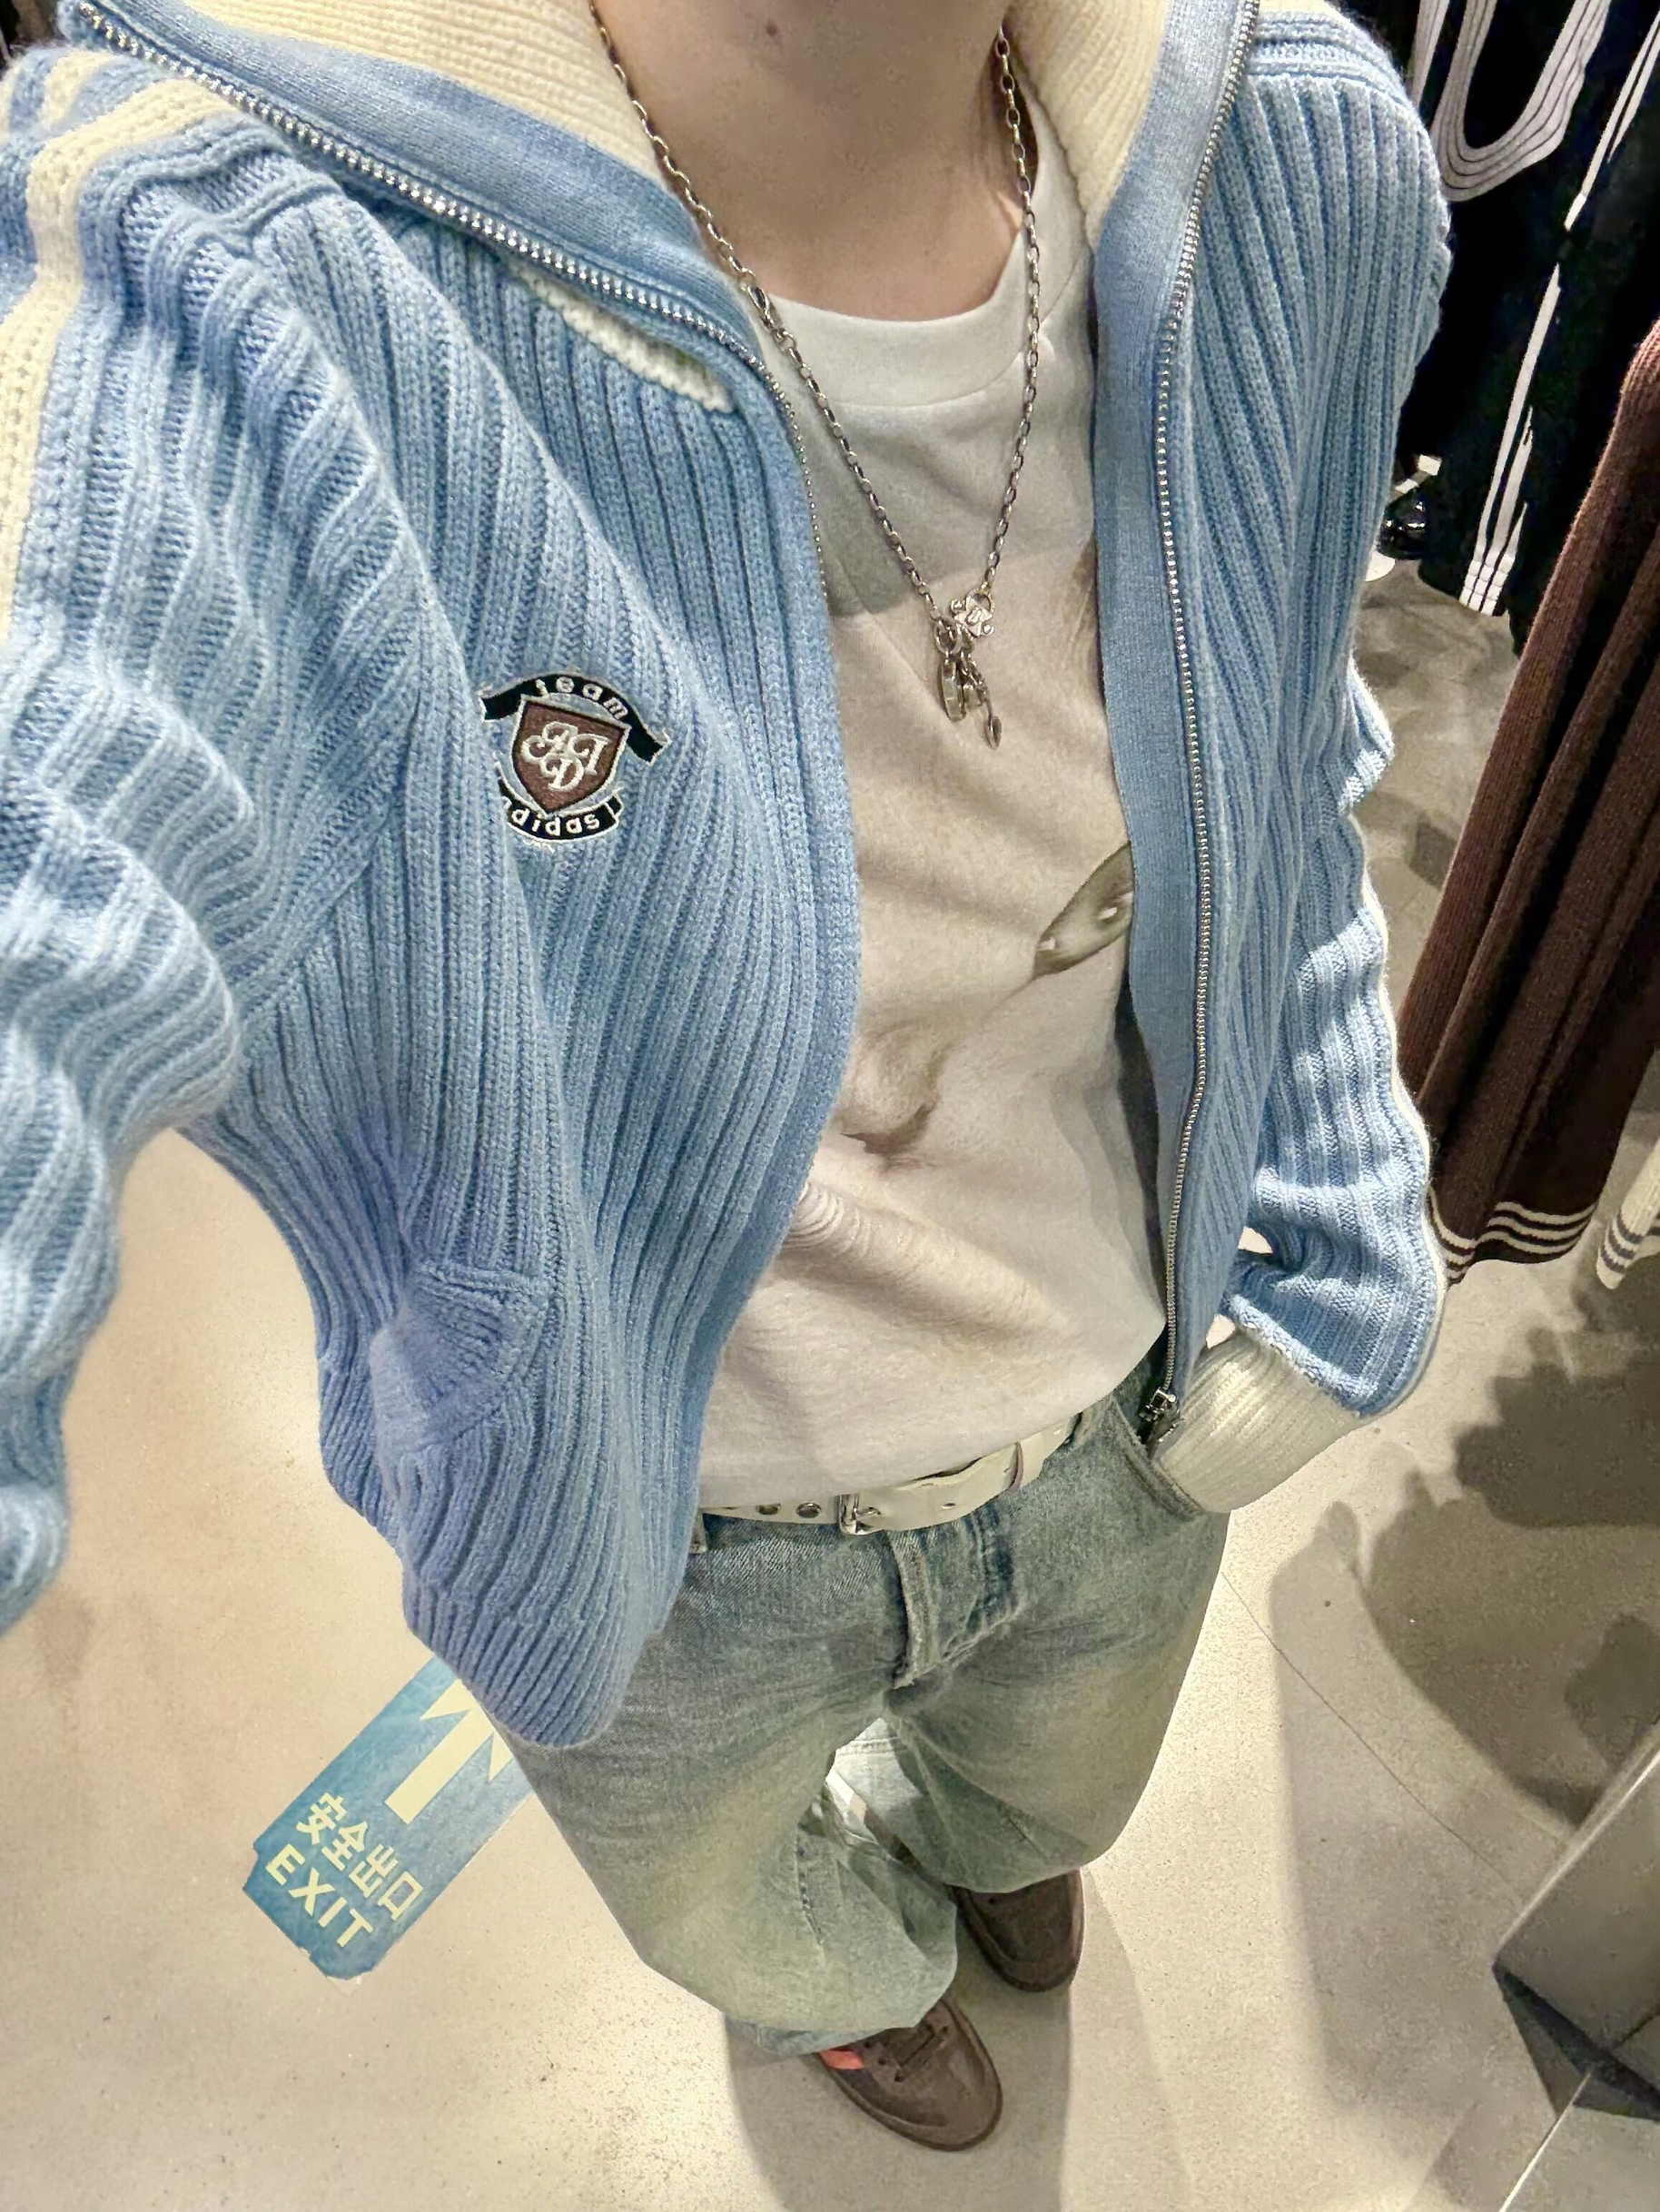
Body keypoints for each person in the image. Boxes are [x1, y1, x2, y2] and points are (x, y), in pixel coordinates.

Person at [0, 0, 1448, 2151]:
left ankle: (988, 1848)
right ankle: (854, 1996)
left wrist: (1331, 1192)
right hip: (647, 1527)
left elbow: (1284, 742)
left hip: (1125, 1408)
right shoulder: (218, 282)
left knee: (1060, 1789)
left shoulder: (1285, 158)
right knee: (727, 1904)